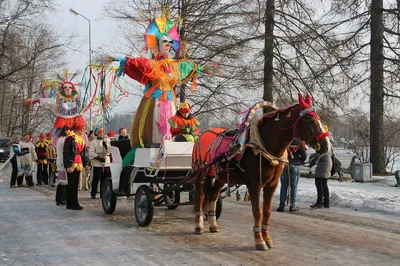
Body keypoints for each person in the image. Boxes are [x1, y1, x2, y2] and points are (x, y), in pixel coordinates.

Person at [106, 17, 215, 148]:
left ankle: (170, 145)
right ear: (157, 44)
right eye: (164, 41)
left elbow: (188, 66)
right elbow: (136, 62)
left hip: (170, 101)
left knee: (171, 126)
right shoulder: (152, 64)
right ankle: (155, 146)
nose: (168, 45)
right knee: (156, 127)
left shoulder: (174, 66)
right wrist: (119, 59)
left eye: (169, 42)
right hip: (155, 101)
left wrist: (203, 68)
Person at [63, 120, 89, 210]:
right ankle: (71, 203)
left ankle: (75, 202)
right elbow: (66, 153)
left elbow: (84, 153)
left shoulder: (81, 139)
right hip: (72, 162)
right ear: (78, 129)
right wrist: (68, 165)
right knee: (71, 184)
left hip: (79, 163)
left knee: (76, 184)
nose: (83, 131)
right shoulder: (70, 138)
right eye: (82, 129)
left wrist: (86, 163)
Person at [277, 139, 308, 212]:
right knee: (293, 186)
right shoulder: (299, 142)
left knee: (284, 186)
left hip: (285, 164)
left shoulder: (285, 141)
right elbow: (304, 154)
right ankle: (292, 205)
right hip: (295, 165)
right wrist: (300, 161)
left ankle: (282, 205)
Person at [89, 128, 111, 199]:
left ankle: (103, 193)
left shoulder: (107, 140)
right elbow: (91, 152)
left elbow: (110, 150)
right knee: (96, 178)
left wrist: (106, 146)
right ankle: (93, 193)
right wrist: (98, 158)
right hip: (97, 162)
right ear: (97, 134)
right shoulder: (94, 142)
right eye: (100, 133)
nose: (101, 134)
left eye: (102, 133)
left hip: (106, 160)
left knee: (105, 179)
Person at [55, 126, 70, 205]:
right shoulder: (64, 140)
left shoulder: (59, 139)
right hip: (63, 161)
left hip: (60, 160)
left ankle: (58, 199)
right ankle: (62, 199)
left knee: (60, 181)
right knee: (64, 181)